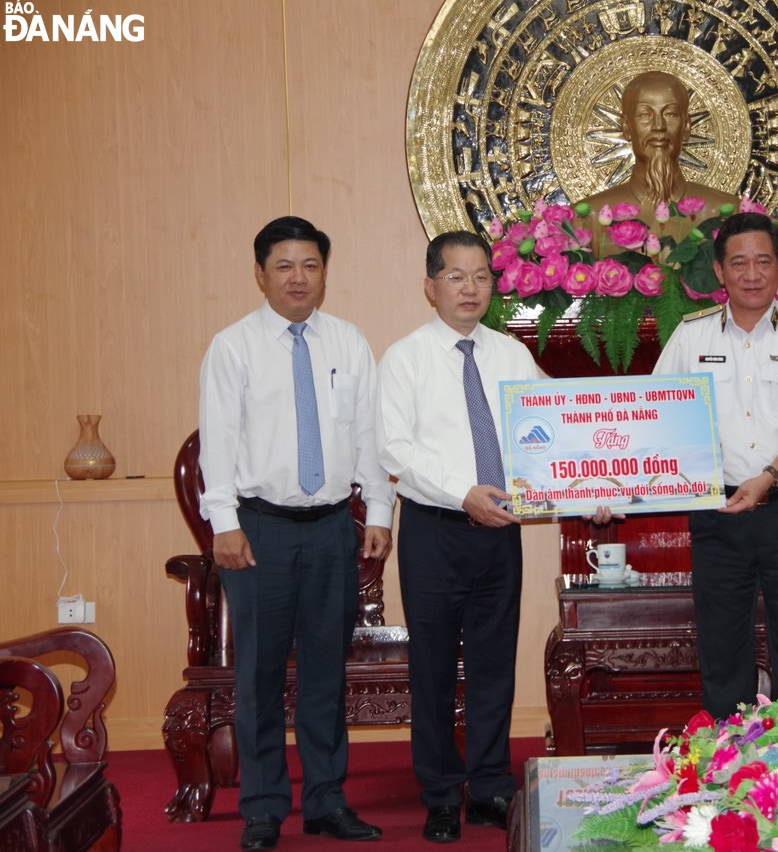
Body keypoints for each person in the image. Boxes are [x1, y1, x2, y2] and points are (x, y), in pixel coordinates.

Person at [199, 215, 392, 850]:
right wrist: (223, 524)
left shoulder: (348, 342)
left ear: (324, 273)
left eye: (310, 265)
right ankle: (261, 807)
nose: (298, 277)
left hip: (334, 528)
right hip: (260, 531)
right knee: (256, 675)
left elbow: (369, 438)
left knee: (324, 673)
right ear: (260, 274)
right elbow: (218, 444)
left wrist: (381, 516)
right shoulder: (233, 347)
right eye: (284, 266)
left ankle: (326, 801)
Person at [650, 211, 778, 718]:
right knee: (721, 645)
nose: (752, 274)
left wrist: (769, 477)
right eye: (739, 263)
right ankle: (726, 762)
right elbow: (652, 413)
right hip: (717, 512)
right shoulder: (691, 337)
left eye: (764, 261)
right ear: (719, 273)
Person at [376, 231, 539, 843]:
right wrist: (461, 491)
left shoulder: (513, 356)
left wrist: (591, 484)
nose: (470, 288)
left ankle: (491, 786)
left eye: (480, 277)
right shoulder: (405, 358)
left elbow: (549, 429)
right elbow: (394, 447)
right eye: (455, 276)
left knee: (496, 664)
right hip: (436, 531)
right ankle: (441, 792)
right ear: (430, 285)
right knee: (436, 669)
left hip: (500, 533)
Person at [579, 70, 738, 222]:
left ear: (686, 127)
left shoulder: (730, 215)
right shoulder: (587, 218)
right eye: (645, 115)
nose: (659, 126)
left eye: (670, 114)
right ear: (627, 127)